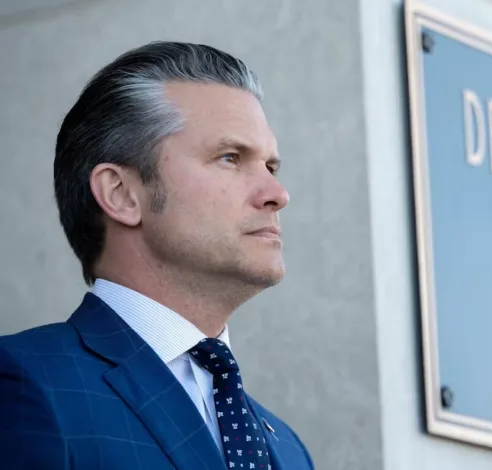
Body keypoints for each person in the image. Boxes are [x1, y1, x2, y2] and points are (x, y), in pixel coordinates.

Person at [0, 41, 314, 470]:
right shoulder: (26, 383)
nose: (277, 194)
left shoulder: (289, 449)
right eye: (230, 157)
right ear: (122, 194)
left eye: (271, 167)